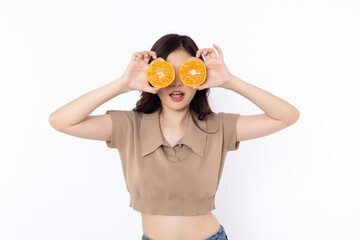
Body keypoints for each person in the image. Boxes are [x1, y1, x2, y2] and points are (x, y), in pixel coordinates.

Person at [49, 33, 300, 240]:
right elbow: (60, 121)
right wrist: (123, 83)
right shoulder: (130, 126)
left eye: (187, 73)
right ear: (153, 75)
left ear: (199, 77)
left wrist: (230, 81)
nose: (177, 83)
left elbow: (287, 116)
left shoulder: (218, 127)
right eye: (167, 73)